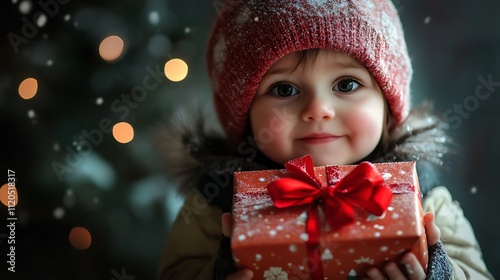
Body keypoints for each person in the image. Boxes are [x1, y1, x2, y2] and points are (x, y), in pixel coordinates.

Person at [157, 0, 494, 279]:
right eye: (284, 89)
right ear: (245, 117)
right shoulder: (215, 202)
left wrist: (436, 271)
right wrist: (226, 268)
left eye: (346, 84)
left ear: (387, 105)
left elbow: (476, 272)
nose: (318, 109)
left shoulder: (424, 196)